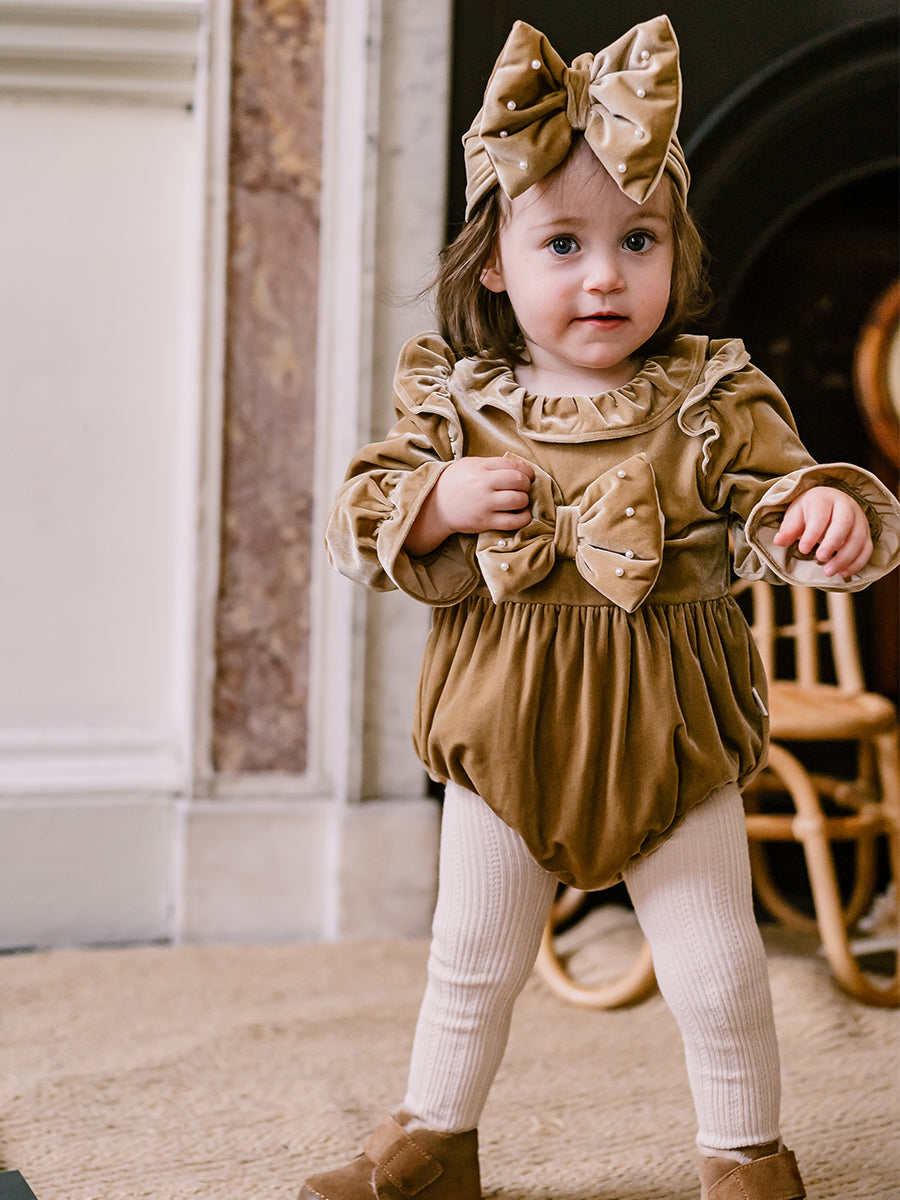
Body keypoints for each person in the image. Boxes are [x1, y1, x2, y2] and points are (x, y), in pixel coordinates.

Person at [303, 15, 900, 1200]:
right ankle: (435, 1138)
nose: (605, 276)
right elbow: (358, 517)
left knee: (717, 964)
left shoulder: (710, 397)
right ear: (494, 261)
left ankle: (745, 1152)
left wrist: (819, 510)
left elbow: (778, 494)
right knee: (471, 955)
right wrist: (435, 502)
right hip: (501, 725)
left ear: (676, 249)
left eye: (638, 239)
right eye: (564, 243)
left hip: (672, 729)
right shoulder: (457, 403)